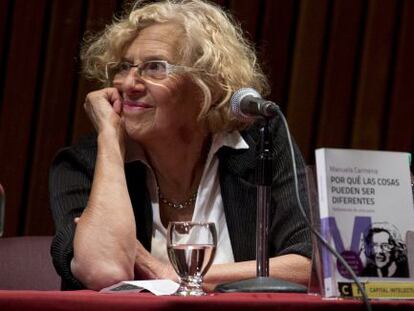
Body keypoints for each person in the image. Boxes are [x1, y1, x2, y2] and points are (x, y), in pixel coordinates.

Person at [49, 0, 311, 291]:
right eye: (124, 67)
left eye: (155, 67)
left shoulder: (259, 143)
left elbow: (306, 264)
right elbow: (105, 271)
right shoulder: (81, 163)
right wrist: (110, 140)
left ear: (206, 83)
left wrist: (168, 272)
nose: (129, 84)